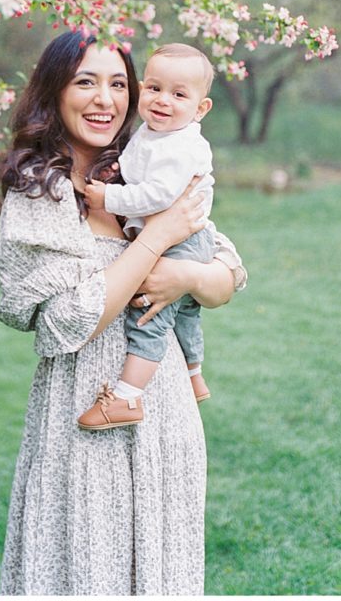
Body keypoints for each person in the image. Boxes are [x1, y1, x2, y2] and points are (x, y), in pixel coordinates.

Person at [0, 31, 247, 596]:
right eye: (85, 82)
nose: (104, 99)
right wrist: (155, 241)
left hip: (164, 413)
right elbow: (66, 324)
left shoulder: (147, 171)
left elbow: (226, 274)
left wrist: (185, 275)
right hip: (83, 412)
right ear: (56, 93)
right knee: (87, 568)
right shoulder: (43, 192)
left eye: (117, 84)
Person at [78, 43, 218, 431]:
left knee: (148, 316)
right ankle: (193, 373)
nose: (163, 101)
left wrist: (110, 195)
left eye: (178, 94)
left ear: (200, 108)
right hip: (185, 238)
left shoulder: (182, 145)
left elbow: (157, 194)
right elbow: (137, 164)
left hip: (182, 243)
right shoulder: (155, 132)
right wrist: (118, 171)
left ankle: (126, 397)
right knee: (185, 312)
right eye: (154, 89)